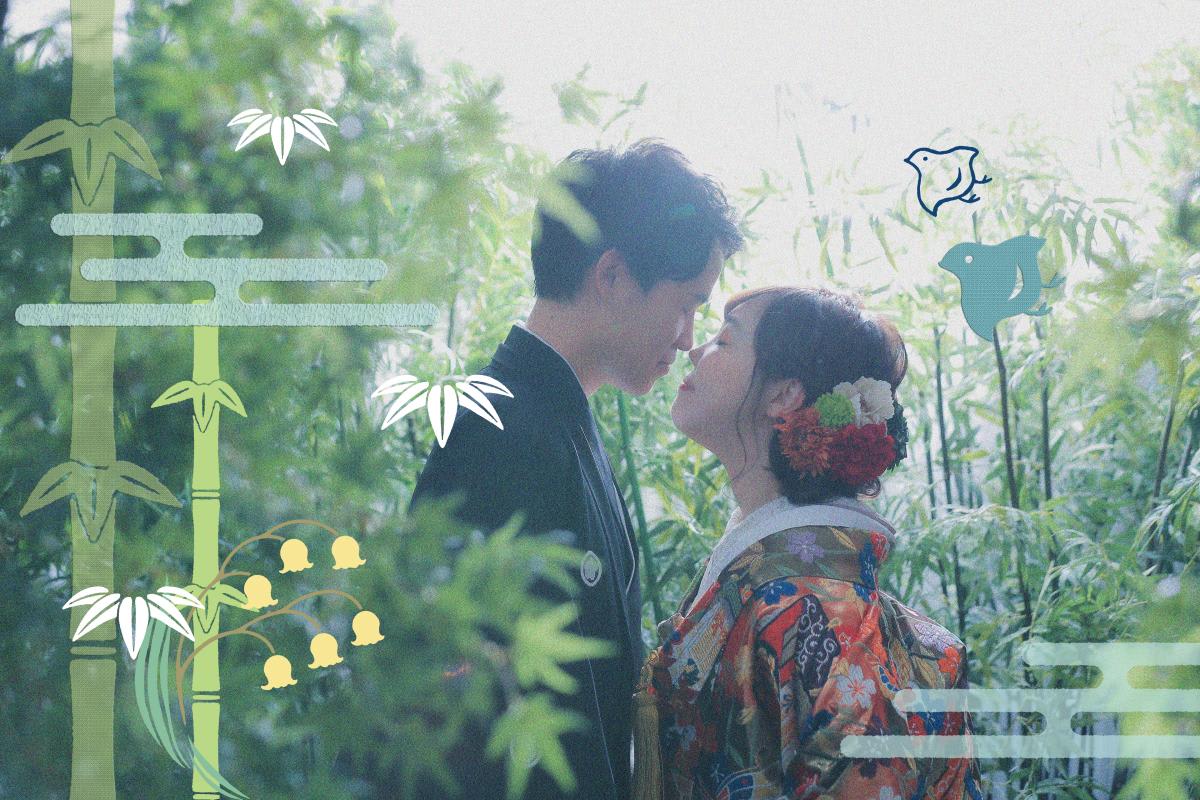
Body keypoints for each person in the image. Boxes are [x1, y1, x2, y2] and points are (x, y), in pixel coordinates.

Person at [409, 139, 744, 800]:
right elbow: (456, 715)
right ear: (612, 275)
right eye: (686, 303)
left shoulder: (552, 417)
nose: (687, 337)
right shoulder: (500, 432)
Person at [633, 286, 983, 799]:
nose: (694, 350)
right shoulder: (785, 589)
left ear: (783, 395)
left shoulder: (820, 613)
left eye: (724, 341)